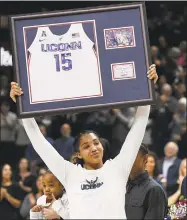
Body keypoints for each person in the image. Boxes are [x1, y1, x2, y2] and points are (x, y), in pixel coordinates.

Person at [10, 64, 158, 219]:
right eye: (86, 146)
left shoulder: (118, 167)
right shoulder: (69, 173)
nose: (93, 148)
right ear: (78, 154)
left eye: (96, 143)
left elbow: (138, 129)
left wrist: (147, 88)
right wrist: (22, 102)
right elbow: (38, 141)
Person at [125, 144, 167, 219]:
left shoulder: (154, 189)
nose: (128, 160)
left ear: (145, 159)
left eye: (132, 156)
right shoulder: (122, 186)